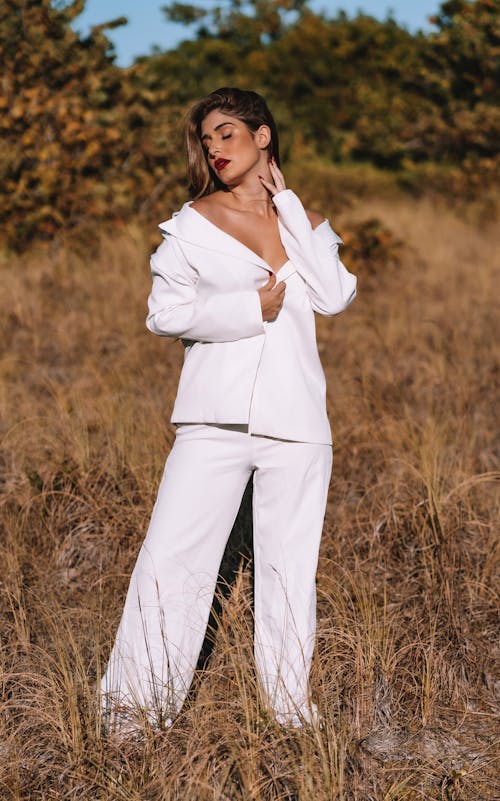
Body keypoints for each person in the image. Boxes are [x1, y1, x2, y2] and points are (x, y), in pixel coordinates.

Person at [100, 87, 357, 733]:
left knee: (287, 571)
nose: (215, 148)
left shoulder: (307, 221)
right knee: (172, 562)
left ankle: (291, 715)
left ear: (262, 136)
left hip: (297, 423)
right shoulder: (191, 224)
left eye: (227, 134)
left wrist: (290, 203)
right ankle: (132, 713)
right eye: (206, 139)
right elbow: (164, 314)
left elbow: (333, 296)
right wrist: (250, 310)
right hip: (213, 421)